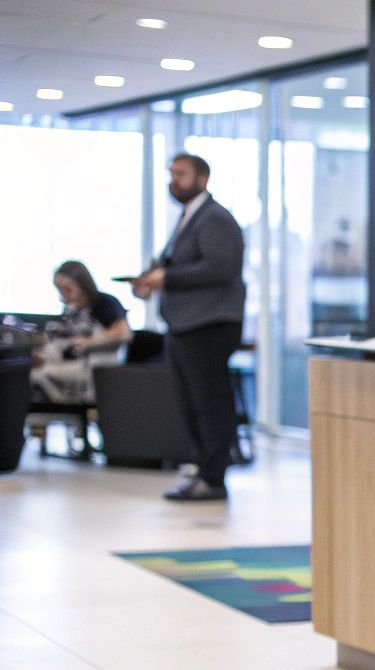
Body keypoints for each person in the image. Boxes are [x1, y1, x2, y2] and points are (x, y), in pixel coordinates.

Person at [132, 152, 245, 501]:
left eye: (180, 174)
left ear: (202, 178)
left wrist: (166, 277)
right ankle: (201, 471)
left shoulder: (215, 218)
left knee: (210, 404)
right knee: (191, 403)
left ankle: (213, 478)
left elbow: (218, 268)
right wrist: (151, 279)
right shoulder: (189, 218)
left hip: (208, 325)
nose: (173, 180)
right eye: (171, 173)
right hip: (184, 326)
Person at [31, 261, 131, 405]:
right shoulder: (70, 311)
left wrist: (88, 342)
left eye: (66, 289)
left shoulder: (104, 303)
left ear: (81, 284)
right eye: (59, 289)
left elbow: (123, 333)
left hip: (94, 371)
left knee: (34, 375)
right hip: (64, 365)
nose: (62, 296)